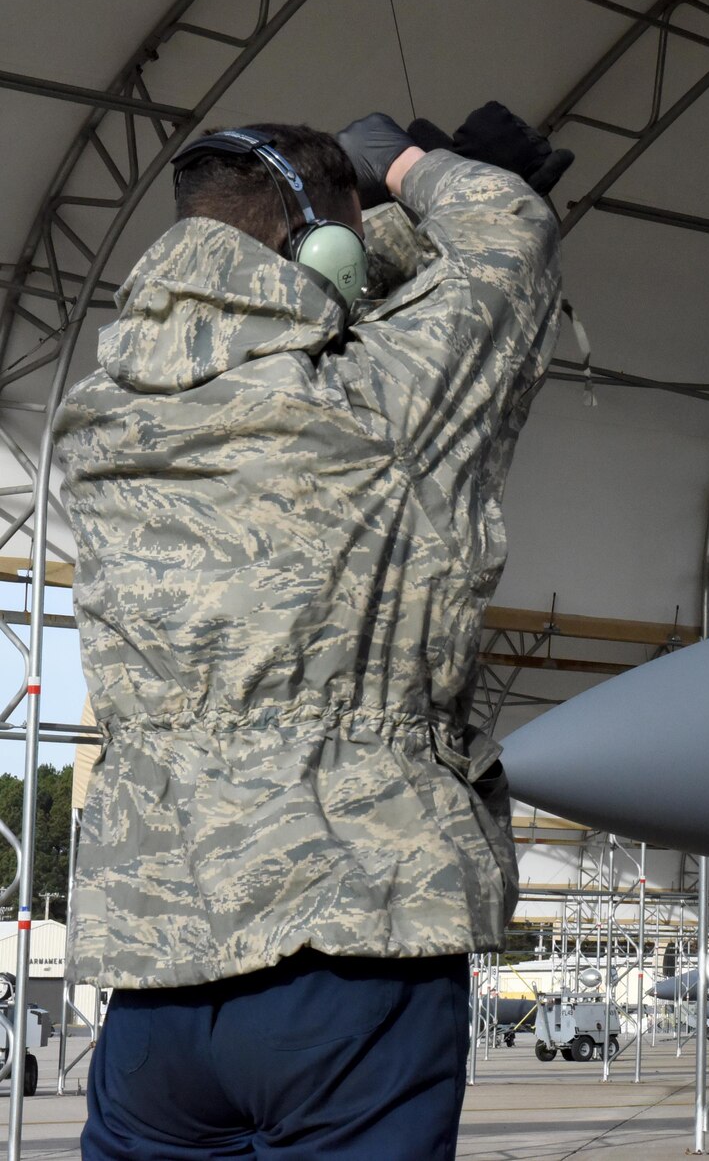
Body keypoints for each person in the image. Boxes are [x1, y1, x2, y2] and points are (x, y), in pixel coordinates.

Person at [54, 104, 572, 1159]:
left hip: (157, 970)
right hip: (354, 940)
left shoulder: (98, 418)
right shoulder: (380, 405)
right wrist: (418, 172)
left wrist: (371, 224)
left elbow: (275, 306)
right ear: (323, 251)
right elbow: (509, 230)